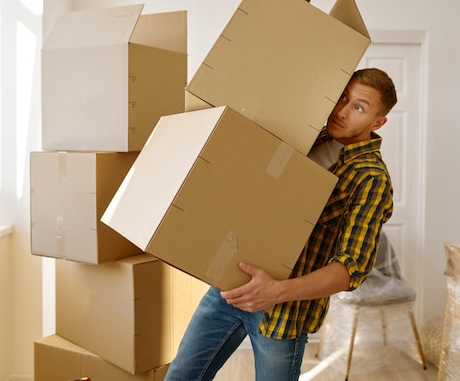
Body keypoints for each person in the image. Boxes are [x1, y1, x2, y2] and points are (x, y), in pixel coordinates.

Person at [165, 68, 397, 381]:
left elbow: (351, 268)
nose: (341, 111)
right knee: (180, 375)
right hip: (230, 287)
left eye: (358, 107)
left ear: (377, 122)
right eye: (342, 96)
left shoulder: (370, 177)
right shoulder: (309, 134)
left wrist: (275, 292)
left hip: (282, 313)